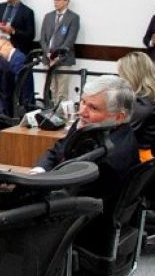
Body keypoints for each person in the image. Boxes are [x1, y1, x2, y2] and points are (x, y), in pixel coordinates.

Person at [33, 76, 139, 254]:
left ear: (119, 117)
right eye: (82, 102)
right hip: (71, 206)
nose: (82, 111)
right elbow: (58, 149)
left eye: (93, 107)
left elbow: (67, 194)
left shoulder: (112, 157)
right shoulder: (92, 127)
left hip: (83, 231)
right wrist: (39, 169)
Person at [116, 51, 155, 148]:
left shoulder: (142, 103)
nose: (120, 79)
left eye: (121, 75)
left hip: (143, 155)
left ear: (131, 75)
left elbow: (121, 135)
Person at [39, 0, 80, 103]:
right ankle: (51, 115)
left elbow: (70, 40)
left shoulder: (73, 17)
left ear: (66, 1)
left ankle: (60, 117)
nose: (55, 2)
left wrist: (57, 55)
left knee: (62, 92)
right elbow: (42, 38)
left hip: (64, 60)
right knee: (51, 89)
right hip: (48, 59)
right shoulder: (48, 16)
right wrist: (48, 53)